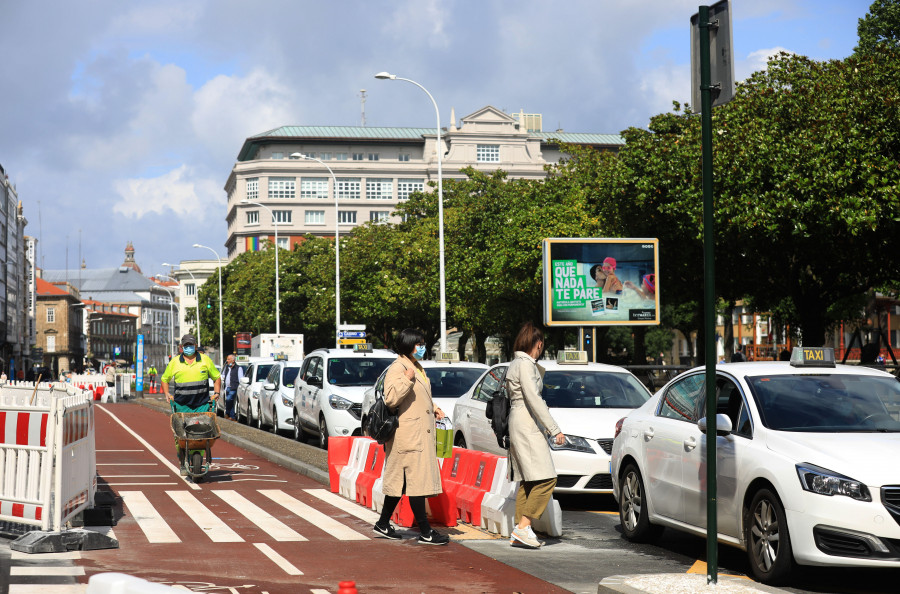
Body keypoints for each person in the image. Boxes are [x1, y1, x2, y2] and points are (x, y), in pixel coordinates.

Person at [373, 327, 449, 545]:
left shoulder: (416, 366)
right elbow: (391, 399)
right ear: (408, 345)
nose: (422, 347)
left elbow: (418, 397)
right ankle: (425, 532)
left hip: (416, 433)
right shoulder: (399, 368)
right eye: (419, 344)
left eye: (423, 343)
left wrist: (434, 407)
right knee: (416, 483)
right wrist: (407, 379)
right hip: (408, 435)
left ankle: (383, 523)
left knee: (404, 482)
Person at [505, 321, 565, 549]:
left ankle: (521, 529)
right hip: (527, 421)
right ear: (538, 344)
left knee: (528, 481)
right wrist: (554, 429)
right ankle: (523, 526)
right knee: (547, 477)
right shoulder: (526, 365)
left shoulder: (516, 363)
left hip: (519, 420)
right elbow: (534, 399)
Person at [161, 334, 221, 475]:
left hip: (201, 404)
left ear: (195, 346)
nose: (188, 348)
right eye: (186, 345)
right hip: (182, 405)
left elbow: (216, 377)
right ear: (182, 347)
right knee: (180, 436)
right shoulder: (175, 362)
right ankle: (182, 461)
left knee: (201, 433)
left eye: (191, 345)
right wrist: (167, 394)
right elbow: (165, 379)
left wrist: (217, 393)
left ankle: (197, 458)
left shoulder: (205, 360)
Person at [221, 354, 244, 421]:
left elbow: (240, 379)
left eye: (228, 359)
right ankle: (232, 416)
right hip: (227, 387)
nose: (227, 361)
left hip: (234, 387)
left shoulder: (238, 368)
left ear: (233, 360)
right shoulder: (226, 367)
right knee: (229, 402)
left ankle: (227, 412)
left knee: (229, 399)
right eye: (227, 359)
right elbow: (223, 375)